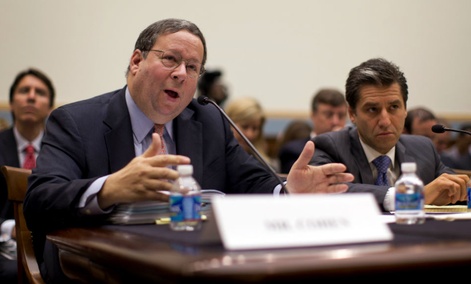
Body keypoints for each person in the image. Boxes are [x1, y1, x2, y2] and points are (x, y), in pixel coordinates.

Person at [22, 18, 354, 283]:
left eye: (192, 67)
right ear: (136, 60)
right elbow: (40, 200)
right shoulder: (77, 122)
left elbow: (249, 180)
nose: (181, 74)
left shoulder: (208, 120)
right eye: (170, 59)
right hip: (98, 270)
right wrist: (110, 189)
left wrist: (287, 193)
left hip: (192, 266)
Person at [310, 57, 469, 212]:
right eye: (372, 109)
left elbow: (455, 189)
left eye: (394, 107)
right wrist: (411, 196)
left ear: (405, 109)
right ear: (352, 113)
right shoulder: (329, 146)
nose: (385, 121)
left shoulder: (423, 148)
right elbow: (328, 190)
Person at [0, 68, 55, 283]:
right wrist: (10, 228)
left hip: (50, 242)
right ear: (12, 103)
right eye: (24, 90)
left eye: (40, 92)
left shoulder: (62, 150)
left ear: (50, 107)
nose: (31, 96)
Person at [278, 88, 348, 173]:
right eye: (328, 114)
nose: (335, 121)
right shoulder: (293, 151)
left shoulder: (353, 150)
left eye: (341, 115)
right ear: (313, 115)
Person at [224, 96, 279, 172]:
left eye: (255, 128)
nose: (250, 135)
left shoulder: (267, 166)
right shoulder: (217, 161)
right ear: (228, 123)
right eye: (244, 126)